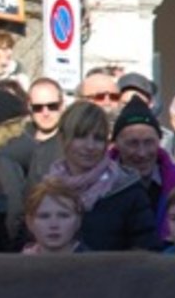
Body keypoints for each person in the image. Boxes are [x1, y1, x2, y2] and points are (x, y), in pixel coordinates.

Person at [45, 101, 157, 251]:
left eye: (98, 138)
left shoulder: (128, 190)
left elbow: (146, 249)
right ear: (63, 138)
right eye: (81, 136)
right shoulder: (47, 191)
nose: (90, 146)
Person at [109, 95, 175, 241]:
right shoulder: (98, 184)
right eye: (132, 143)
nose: (142, 153)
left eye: (149, 142)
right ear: (116, 144)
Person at [21, 177, 84, 253]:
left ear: (78, 221)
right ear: (29, 222)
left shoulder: (94, 263)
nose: (54, 225)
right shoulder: (17, 264)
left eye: (63, 216)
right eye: (44, 216)